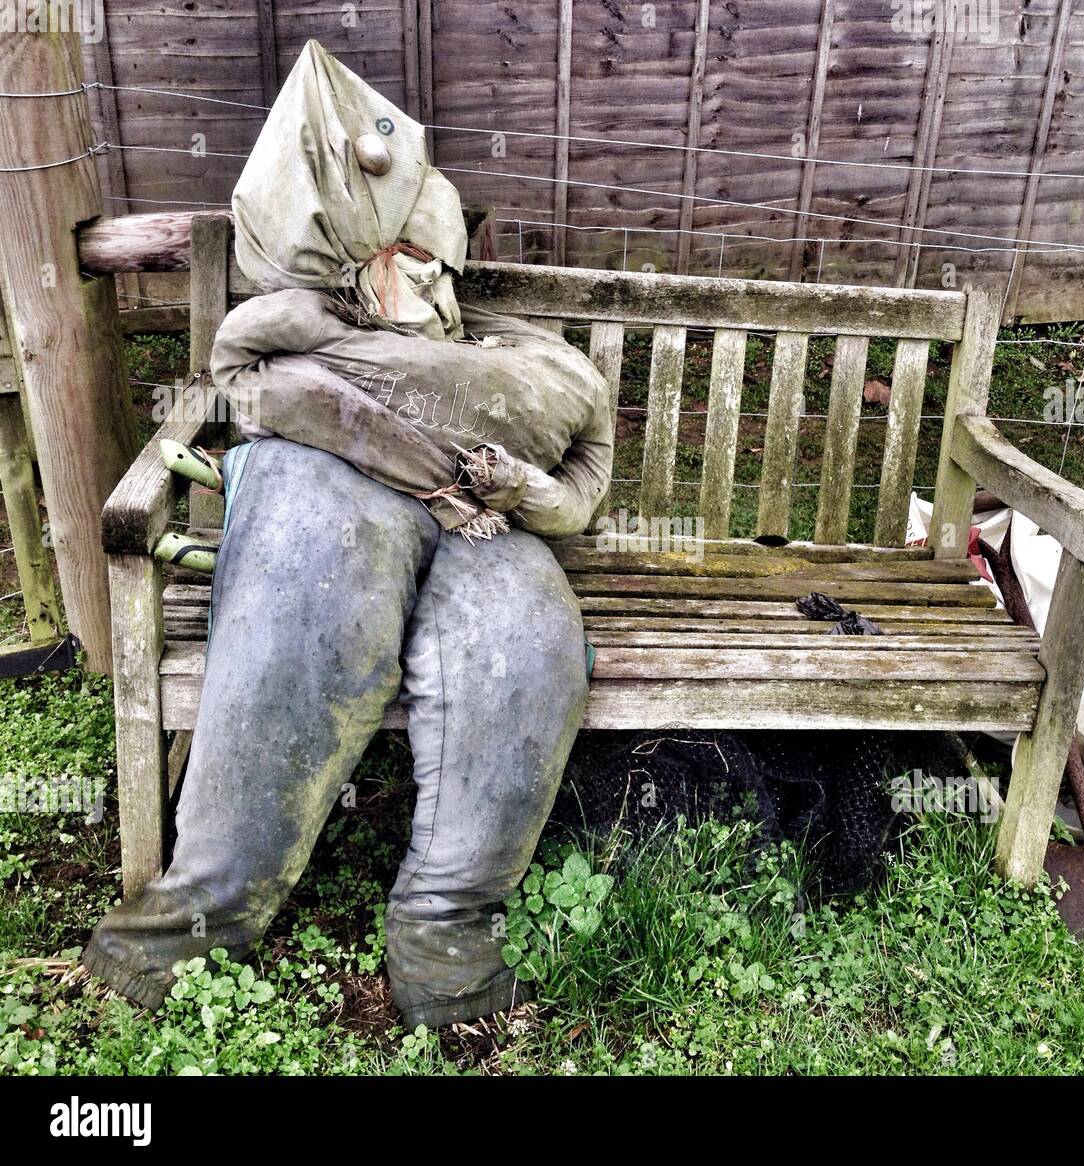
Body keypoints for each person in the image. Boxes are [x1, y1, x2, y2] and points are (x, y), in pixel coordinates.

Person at [83, 41, 610, 1030]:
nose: (408, 279)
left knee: (528, 640)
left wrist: (518, 482)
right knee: (307, 599)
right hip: (318, 477)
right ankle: (188, 928)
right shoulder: (286, 339)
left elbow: (567, 455)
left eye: (422, 260)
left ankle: (445, 942)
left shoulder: (513, 364)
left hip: (471, 509)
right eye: (389, 258)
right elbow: (243, 373)